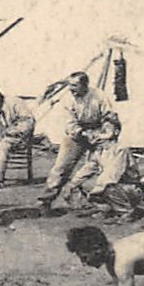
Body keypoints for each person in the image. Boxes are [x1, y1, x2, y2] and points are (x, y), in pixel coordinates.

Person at [38, 72, 121, 214]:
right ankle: (46, 201)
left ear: (85, 85)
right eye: (70, 85)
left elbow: (110, 117)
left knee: (106, 166)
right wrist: (83, 133)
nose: (71, 88)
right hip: (76, 135)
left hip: (98, 132)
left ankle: (105, 203)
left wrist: (105, 134)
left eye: (75, 85)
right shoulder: (67, 100)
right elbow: (70, 124)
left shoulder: (99, 96)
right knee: (61, 168)